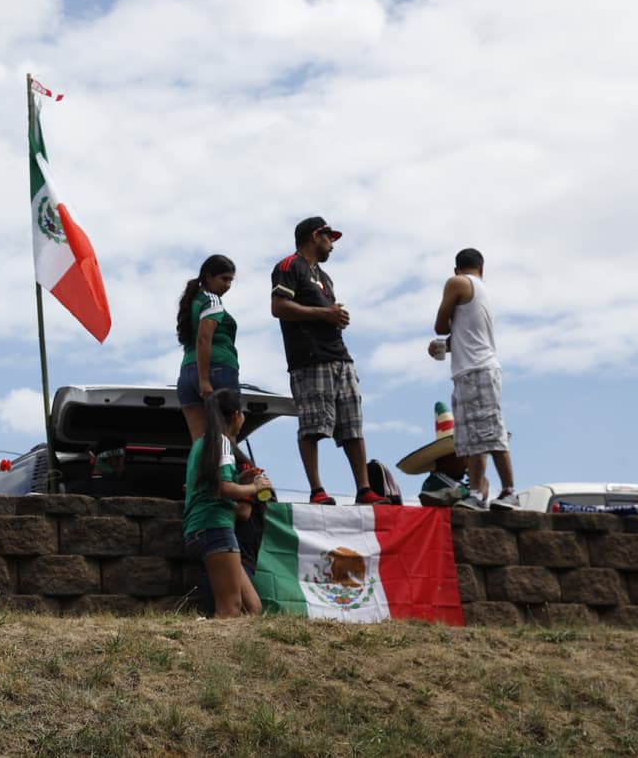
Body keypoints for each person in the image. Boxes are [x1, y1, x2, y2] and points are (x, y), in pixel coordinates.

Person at [270, 217, 386, 506]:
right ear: (314, 236)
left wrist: (335, 316)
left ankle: (364, 489)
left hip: (339, 357)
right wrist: (326, 314)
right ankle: (317, 490)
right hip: (310, 360)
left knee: (352, 425)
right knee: (312, 425)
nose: (332, 244)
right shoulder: (289, 266)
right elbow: (279, 306)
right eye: (329, 237)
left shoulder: (324, 277)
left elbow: (324, 311)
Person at [432, 248, 517, 510]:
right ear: (482, 267)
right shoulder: (482, 292)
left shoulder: (458, 282)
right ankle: (478, 494)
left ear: (457, 269)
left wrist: (445, 334)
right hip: (470, 371)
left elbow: (440, 325)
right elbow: (464, 335)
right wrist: (445, 347)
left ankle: (509, 491)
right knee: (473, 438)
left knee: (490, 431)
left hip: (477, 370)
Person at [183, 388, 272, 618]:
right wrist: (255, 488)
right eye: (242, 413)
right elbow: (223, 488)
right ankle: (211, 652)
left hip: (198, 530)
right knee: (230, 609)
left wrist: (240, 480)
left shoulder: (202, 444)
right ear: (235, 415)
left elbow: (210, 485)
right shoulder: (222, 442)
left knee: (253, 607)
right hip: (215, 528)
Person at [176, 254, 240, 440]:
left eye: (230, 280)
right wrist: (204, 380)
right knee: (227, 435)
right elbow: (204, 338)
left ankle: (199, 471)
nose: (227, 285)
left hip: (187, 374)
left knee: (199, 442)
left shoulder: (191, 301)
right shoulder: (212, 300)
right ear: (209, 276)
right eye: (224, 279)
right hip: (216, 370)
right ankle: (225, 470)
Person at [395, 402, 484, 510]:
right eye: (463, 456)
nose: (467, 461)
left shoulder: (455, 482)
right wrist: (474, 489)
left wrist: (479, 480)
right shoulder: (436, 481)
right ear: (444, 460)